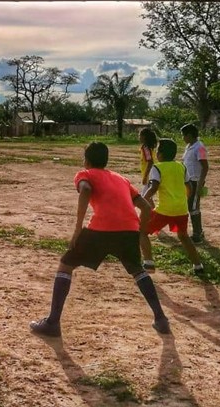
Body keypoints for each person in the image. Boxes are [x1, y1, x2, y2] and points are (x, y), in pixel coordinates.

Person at [29, 142, 170, 337]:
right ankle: (161, 319)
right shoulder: (121, 178)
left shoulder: (85, 174)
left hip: (101, 229)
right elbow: (146, 207)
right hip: (128, 230)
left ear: (86, 160)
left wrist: (78, 228)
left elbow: (85, 190)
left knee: (65, 266)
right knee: (138, 270)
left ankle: (52, 323)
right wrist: (140, 229)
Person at [140, 139, 204, 274]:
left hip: (164, 210)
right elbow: (189, 186)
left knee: (142, 232)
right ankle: (198, 265)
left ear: (160, 154)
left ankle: (148, 262)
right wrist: (183, 198)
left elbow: (154, 187)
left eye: (157, 151)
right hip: (181, 209)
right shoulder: (181, 166)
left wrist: (143, 199)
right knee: (184, 236)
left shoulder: (157, 167)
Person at [181, 123, 209, 244]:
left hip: (195, 181)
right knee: (190, 205)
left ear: (190, 135)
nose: (183, 138)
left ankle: (198, 233)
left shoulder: (199, 147)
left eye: (184, 135)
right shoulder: (189, 146)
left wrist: (200, 184)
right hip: (188, 181)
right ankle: (197, 232)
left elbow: (205, 166)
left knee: (193, 207)